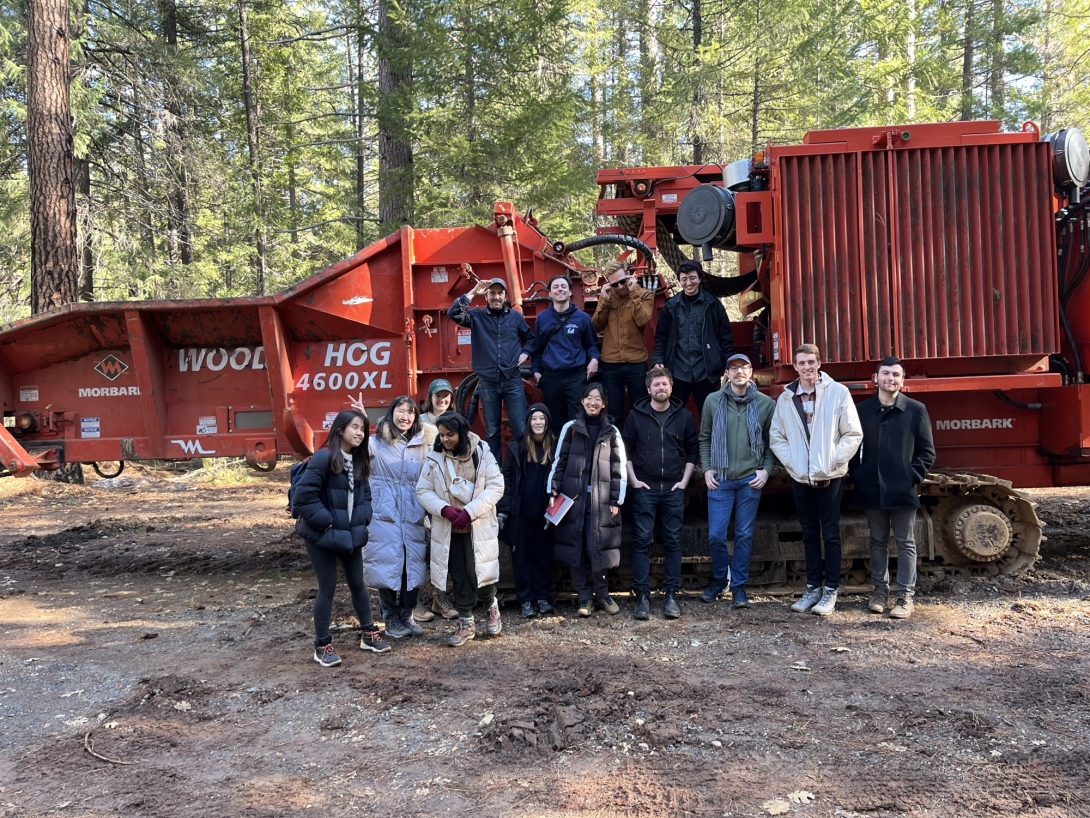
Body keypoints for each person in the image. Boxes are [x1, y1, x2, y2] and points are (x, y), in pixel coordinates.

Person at [770, 344, 862, 616]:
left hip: (829, 478)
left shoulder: (838, 392)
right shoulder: (786, 398)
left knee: (831, 534)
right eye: (801, 363)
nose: (807, 367)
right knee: (809, 534)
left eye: (811, 362)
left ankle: (830, 590)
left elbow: (852, 434)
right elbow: (777, 437)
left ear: (819, 364)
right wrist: (796, 465)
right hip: (801, 478)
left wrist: (833, 462)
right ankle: (812, 588)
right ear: (795, 367)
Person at [293, 409, 391, 666]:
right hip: (321, 535)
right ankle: (322, 644)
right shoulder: (323, 458)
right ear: (339, 430)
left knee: (358, 583)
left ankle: (369, 633)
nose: (360, 433)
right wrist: (327, 525)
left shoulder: (357, 459)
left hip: (349, 535)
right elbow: (302, 498)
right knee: (327, 588)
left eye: (363, 428)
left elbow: (366, 494)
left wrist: (363, 518)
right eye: (355, 428)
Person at [850, 356, 936, 620]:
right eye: (885, 373)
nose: (890, 378)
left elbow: (927, 452)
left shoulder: (915, 409)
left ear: (902, 379)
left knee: (905, 542)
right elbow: (851, 446)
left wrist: (911, 476)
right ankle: (879, 592)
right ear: (875, 378)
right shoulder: (861, 410)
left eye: (896, 374)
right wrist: (858, 474)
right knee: (876, 542)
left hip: (902, 489)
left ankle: (905, 596)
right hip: (871, 488)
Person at [416, 411, 505, 646]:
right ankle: (466, 620)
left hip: (478, 525)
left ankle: (490, 606)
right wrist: (444, 510)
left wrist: (469, 512)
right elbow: (423, 491)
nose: (445, 439)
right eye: (442, 435)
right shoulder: (435, 457)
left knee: (480, 573)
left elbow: (496, 486)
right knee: (458, 575)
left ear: (462, 433)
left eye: (451, 435)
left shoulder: (481, 451)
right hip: (449, 529)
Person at [698, 353, 776, 608]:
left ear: (751, 371)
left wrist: (766, 470)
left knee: (744, 534)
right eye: (734, 368)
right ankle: (721, 579)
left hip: (749, 479)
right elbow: (705, 437)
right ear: (727, 374)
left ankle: (739, 586)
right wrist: (707, 469)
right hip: (720, 478)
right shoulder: (712, 400)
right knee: (716, 535)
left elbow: (770, 441)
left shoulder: (766, 404)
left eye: (744, 367)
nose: (739, 371)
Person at [623, 367, 698, 620]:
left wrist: (685, 481)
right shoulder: (635, 416)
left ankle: (670, 597)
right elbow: (626, 451)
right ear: (648, 389)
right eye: (656, 385)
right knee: (642, 541)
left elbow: (692, 451)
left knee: (673, 542)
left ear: (671, 387)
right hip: (646, 489)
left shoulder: (684, 416)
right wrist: (634, 481)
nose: (661, 388)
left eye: (664, 384)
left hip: (674, 488)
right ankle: (642, 597)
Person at [548, 382, 627, 617]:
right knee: (575, 547)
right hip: (572, 499)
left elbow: (619, 468)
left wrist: (616, 500)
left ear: (604, 404)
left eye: (598, 399)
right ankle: (584, 597)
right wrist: (552, 491)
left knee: (598, 548)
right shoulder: (570, 428)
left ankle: (602, 594)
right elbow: (559, 461)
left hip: (601, 502)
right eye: (589, 398)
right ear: (582, 401)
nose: (593, 402)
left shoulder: (612, 431)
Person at [365, 397, 434, 638]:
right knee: (387, 563)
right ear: (391, 413)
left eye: (410, 412)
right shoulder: (376, 441)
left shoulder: (423, 444)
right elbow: (356, 453)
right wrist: (361, 424)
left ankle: (407, 614)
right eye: (400, 411)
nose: (405, 416)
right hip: (384, 512)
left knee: (411, 566)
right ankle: (390, 617)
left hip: (412, 512)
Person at [650, 259, 755, 418]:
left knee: (711, 416)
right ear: (680, 281)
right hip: (678, 372)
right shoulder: (671, 307)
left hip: (706, 372)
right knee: (672, 416)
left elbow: (726, 339)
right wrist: (657, 359)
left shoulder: (713, 304)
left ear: (699, 278)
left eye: (692, 278)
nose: (688, 283)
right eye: (684, 279)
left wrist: (730, 366)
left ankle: (712, 444)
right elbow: (661, 338)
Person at [448, 277, 534, 461]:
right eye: (492, 293)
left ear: (505, 296)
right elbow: (453, 312)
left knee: (520, 428)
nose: (496, 297)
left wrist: (526, 353)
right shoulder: (476, 316)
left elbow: (530, 338)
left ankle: (521, 471)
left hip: (512, 379)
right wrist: (472, 292)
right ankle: (494, 470)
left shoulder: (515, 317)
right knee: (492, 431)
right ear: (486, 296)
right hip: (487, 381)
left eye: (500, 293)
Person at [498, 404, 557, 618]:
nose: (538, 422)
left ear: (547, 421)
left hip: (545, 515)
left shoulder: (556, 447)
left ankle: (542, 597)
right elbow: (506, 481)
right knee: (522, 559)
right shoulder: (517, 448)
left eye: (542, 418)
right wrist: (504, 511)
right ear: (528, 423)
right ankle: (526, 601)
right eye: (534, 418)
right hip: (520, 513)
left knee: (543, 557)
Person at [531, 274, 600, 427]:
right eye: (555, 287)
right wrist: (536, 373)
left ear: (570, 292)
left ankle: (578, 451)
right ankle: (558, 451)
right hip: (550, 379)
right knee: (555, 424)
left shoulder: (582, 318)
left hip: (575, 378)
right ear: (549, 293)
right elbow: (537, 349)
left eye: (563, 287)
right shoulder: (542, 318)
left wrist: (594, 360)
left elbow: (592, 345)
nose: (560, 289)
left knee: (579, 422)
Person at [593, 260, 653, 426]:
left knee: (640, 410)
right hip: (611, 364)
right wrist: (603, 301)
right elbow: (596, 326)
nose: (620, 286)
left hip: (636, 363)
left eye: (622, 281)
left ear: (629, 276)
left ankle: (640, 450)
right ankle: (614, 450)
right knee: (612, 412)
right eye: (614, 284)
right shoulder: (607, 297)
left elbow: (642, 321)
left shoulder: (645, 294)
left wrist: (633, 294)